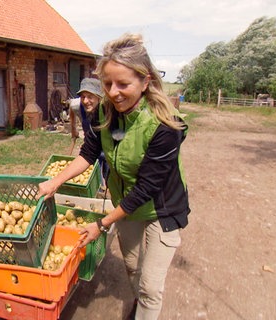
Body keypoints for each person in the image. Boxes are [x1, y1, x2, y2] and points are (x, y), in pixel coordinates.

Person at [37, 33, 190, 320]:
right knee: (132, 266)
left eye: (124, 84)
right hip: (127, 205)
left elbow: (147, 187)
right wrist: (56, 182)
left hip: (162, 208)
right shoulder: (106, 112)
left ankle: (144, 304)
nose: (114, 91)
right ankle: (140, 299)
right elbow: (88, 152)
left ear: (145, 82)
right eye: (108, 84)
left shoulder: (165, 125)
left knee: (150, 285)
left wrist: (102, 224)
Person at [68, 78, 108, 190]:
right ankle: (98, 189)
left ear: (99, 97)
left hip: (106, 144)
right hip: (91, 145)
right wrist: (73, 128)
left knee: (108, 171)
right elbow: (71, 108)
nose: (85, 101)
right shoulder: (77, 105)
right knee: (93, 174)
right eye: (83, 97)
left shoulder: (107, 108)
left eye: (90, 96)